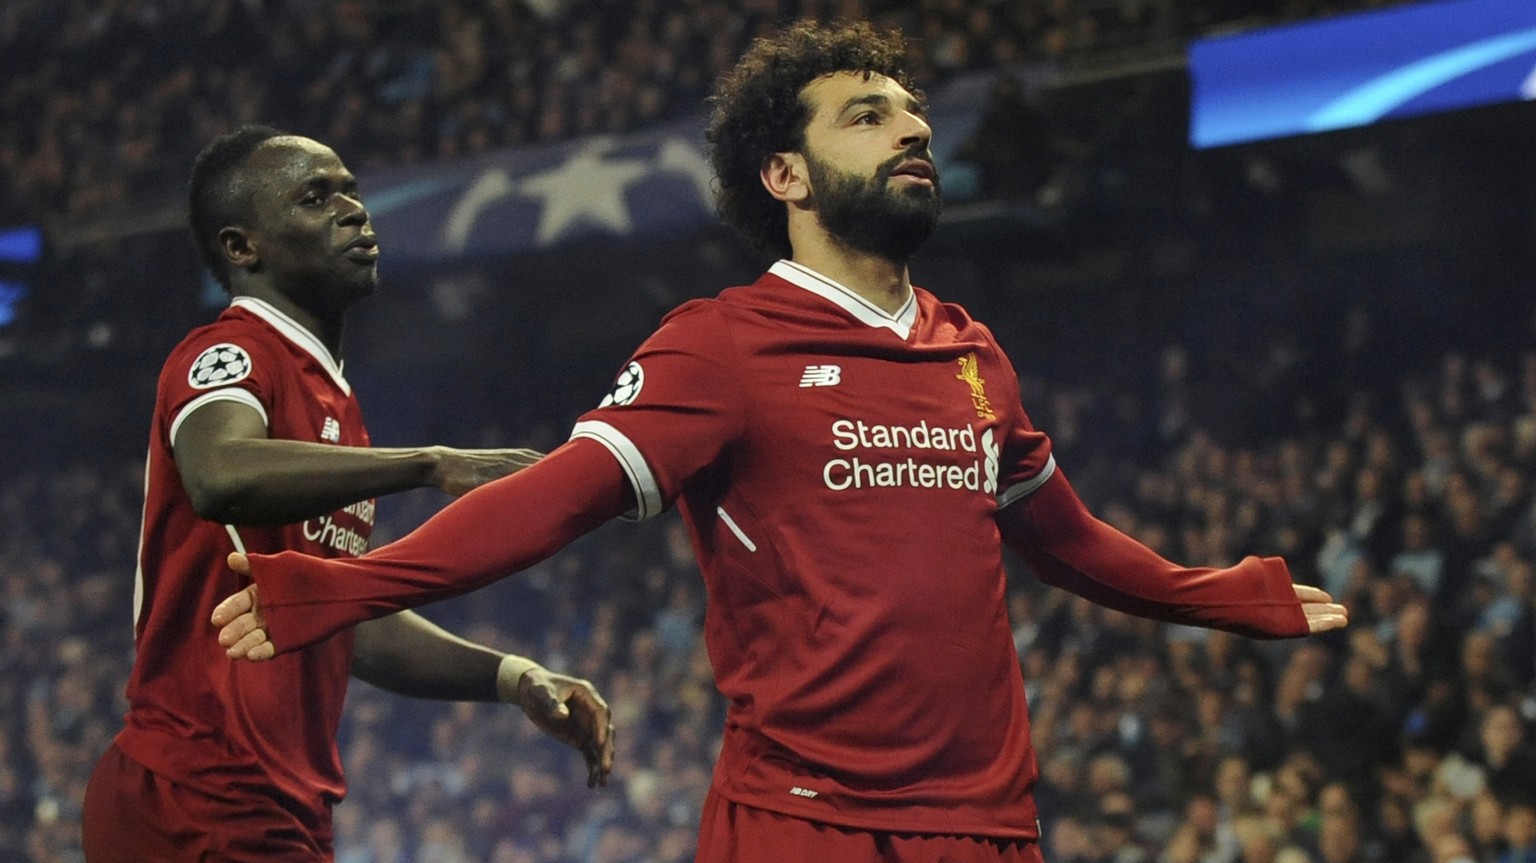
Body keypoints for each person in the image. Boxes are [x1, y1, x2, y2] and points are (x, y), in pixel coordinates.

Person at [211, 22, 1347, 863]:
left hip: (991, 828)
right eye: (867, 114)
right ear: (786, 176)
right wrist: (349, 587)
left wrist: (1222, 594)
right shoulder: (724, 344)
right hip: (805, 826)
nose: (911, 126)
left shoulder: (972, 351)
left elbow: (1068, 541)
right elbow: (557, 495)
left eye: (912, 111)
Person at [81, 126, 615, 863]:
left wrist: (512, 676)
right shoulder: (226, 353)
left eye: (350, 189)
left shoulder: (336, 406)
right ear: (243, 248)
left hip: (272, 805)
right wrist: (432, 464)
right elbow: (219, 472)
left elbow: (340, 614)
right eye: (315, 196)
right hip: (199, 793)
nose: (354, 210)